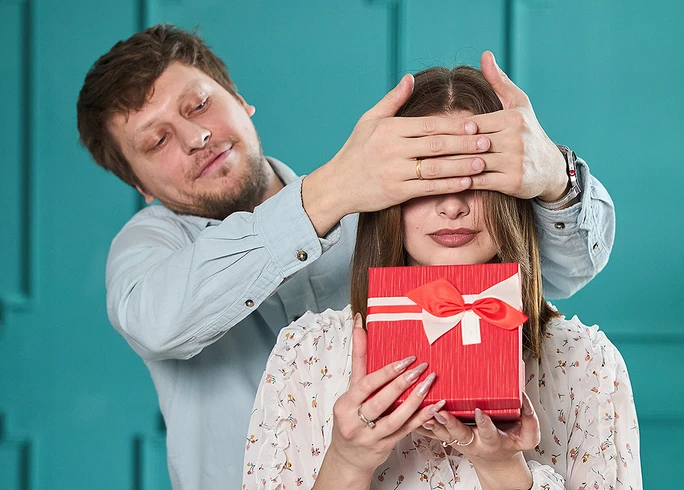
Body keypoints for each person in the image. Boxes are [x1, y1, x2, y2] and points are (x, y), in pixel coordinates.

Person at [76, 25, 615, 489]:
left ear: (239, 99)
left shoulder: (383, 205)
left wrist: (556, 176)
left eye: (199, 105)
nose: (196, 136)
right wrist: (330, 192)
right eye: (157, 141)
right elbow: (156, 321)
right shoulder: (153, 249)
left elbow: (559, 270)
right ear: (138, 184)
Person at [242, 66, 638, 490]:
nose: (452, 206)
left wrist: (503, 469)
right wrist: (347, 461)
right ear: (384, 196)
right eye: (426, 179)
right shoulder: (305, 354)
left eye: (477, 178)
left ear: (516, 189)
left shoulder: (584, 361)